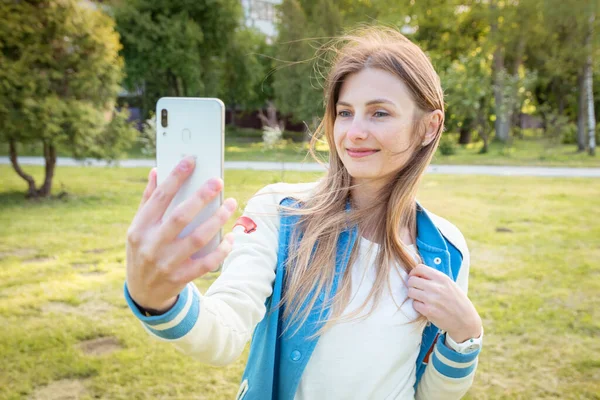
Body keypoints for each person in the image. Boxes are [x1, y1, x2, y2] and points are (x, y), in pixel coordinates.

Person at [124, 27, 484, 400]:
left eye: (379, 113)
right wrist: (159, 300)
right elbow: (225, 335)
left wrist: (466, 334)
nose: (354, 132)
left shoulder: (446, 249)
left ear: (429, 127)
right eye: (345, 112)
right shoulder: (280, 215)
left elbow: (431, 395)